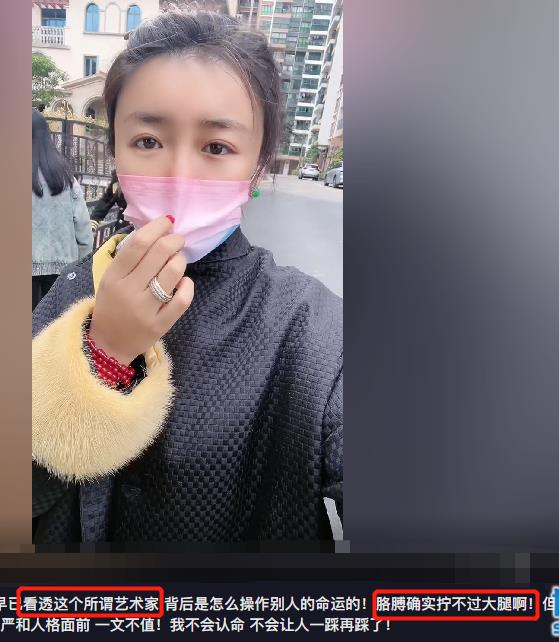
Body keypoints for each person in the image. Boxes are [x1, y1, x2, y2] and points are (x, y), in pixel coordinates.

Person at [31, 11, 343, 544]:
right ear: (116, 149)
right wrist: (102, 352)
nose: (179, 173)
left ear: (258, 164)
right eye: (148, 141)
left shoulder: (310, 326)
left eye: (217, 147)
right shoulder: (74, 288)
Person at [31, 109, 94, 310]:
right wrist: (82, 263)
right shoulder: (65, 177)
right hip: (62, 267)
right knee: (53, 322)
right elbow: (83, 227)